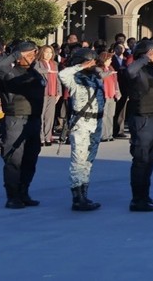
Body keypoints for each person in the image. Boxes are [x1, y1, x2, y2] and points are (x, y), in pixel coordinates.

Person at [0, 41, 45, 209]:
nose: (32, 57)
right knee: (14, 159)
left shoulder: (34, 73)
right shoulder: (10, 73)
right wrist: (18, 54)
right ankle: (13, 196)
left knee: (30, 159)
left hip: (33, 120)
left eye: (34, 54)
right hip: (16, 119)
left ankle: (24, 192)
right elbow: (0, 64)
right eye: (29, 54)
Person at [124, 38, 153, 212]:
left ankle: (145, 196)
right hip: (143, 120)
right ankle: (137, 199)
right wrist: (143, 58)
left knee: (150, 161)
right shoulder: (138, 70)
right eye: (152, 51)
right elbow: (129, 71)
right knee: (141, 160)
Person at [58, 47, 104, 211]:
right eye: (89, 61)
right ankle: (77, 198)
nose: (92, 64)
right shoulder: (74, 80)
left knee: (88, 161)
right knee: (79, 160)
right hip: (81, 123)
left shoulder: (96, 79)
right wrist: (80, 67)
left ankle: (84, 194)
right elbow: (62, 74)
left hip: (96, 123)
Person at [35, 44, 61, 147]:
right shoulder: (38, 63)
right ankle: (40, 137)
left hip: (52, 92)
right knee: (41, 115)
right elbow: (36, 71)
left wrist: (59, 92)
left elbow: (57, 79)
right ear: (42, 53)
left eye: (50, 52)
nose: (49, 54)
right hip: (42, 92)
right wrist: (47, 71)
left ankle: (48, 137)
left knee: (50, 116)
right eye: (46, 52)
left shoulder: (54, 63)